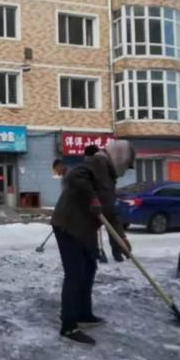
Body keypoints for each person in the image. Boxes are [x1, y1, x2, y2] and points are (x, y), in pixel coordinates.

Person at [51, 141, 135, 345]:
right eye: (126, 165)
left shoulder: (109, 175)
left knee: (89, 268)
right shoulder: (97, 163)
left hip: (85, 230)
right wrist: (92, 198)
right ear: (119, 158)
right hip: (69, 225)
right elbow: (74, 176)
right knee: (75, 272)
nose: (125, 170)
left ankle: (83, 313)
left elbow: (111, 212)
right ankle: (68, 326)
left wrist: (121, 239)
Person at [84, 145, 126, 263]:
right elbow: (115, 176)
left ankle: (97, 253)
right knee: (113, 226)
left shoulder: (88, 163)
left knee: (91, 228)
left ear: (87, 155)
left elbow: (86, 182)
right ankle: (118, 253)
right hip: (110, 199)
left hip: (96, 201)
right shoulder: (107, 160)